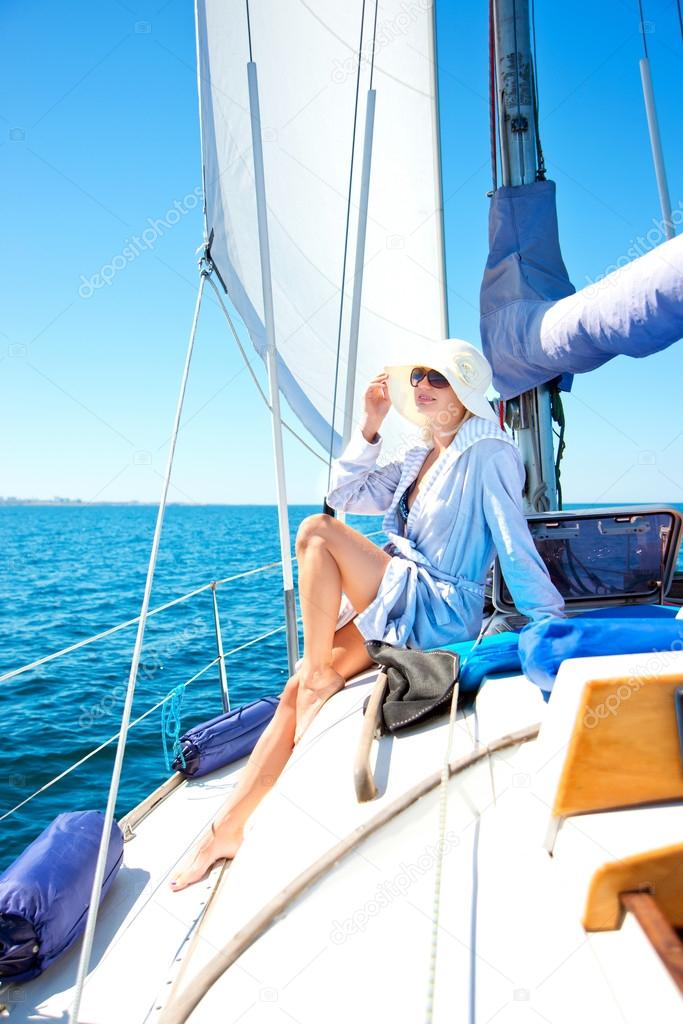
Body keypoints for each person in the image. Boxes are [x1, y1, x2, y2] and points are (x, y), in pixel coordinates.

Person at [169, 338, 564, 891]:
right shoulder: (417, 455)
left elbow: (513, 542)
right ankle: (226, 830)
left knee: (315, 532)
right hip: (400, 593)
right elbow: (343, 492)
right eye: (419, 376)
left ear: (467, 395)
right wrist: (371, 423)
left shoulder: (489, 452)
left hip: (440, 608)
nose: (422, 385)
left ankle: (318, 671)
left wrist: (553, 623)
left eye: (439, 378)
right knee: (295, 692)